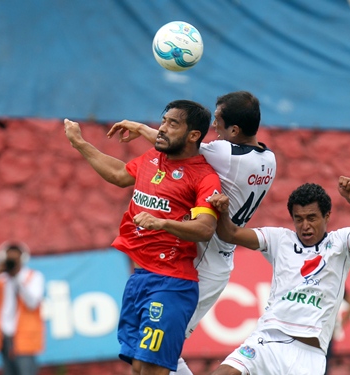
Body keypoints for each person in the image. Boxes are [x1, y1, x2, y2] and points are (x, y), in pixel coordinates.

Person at [106, 91, 276, 375]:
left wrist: (138, 128)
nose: (215, 130)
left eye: (218, 123)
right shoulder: (268, 158)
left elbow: (181, 144)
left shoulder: (225, 154)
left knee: (160, 350)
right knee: (158, 350)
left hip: (201, 260)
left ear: (234, 130)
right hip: (219, 256)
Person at [64, 100, 222, 375]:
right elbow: (118, 174)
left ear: (194, 135)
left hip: (172, 283)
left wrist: (161, 222)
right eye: (163, 121)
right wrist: (79, 142)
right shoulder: (152, 158)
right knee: (137, 367)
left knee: (152, 369)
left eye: (173, 124)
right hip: (139, 279)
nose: (162, 128)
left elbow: (205, 228)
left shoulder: (203, 176)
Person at [207, 177, 350, 375]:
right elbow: (230, 234)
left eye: (312, 217)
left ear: (327, 216)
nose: (305, 225)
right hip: (267, 340)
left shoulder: (341, 242)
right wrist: (223, 213)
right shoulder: (279, 239)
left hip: (309, 355)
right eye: (298, 218)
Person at [0, 241, 45, 375]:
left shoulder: (33, 276)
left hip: (25, 336)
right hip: (5, 335)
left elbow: (33, 303)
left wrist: (17, 279)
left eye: (14, 259)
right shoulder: (1, 278)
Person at [326, 289, 350, 374]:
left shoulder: (334, 281)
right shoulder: (334, 280)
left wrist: (339, 325)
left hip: (324, 333)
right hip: (326, 332)